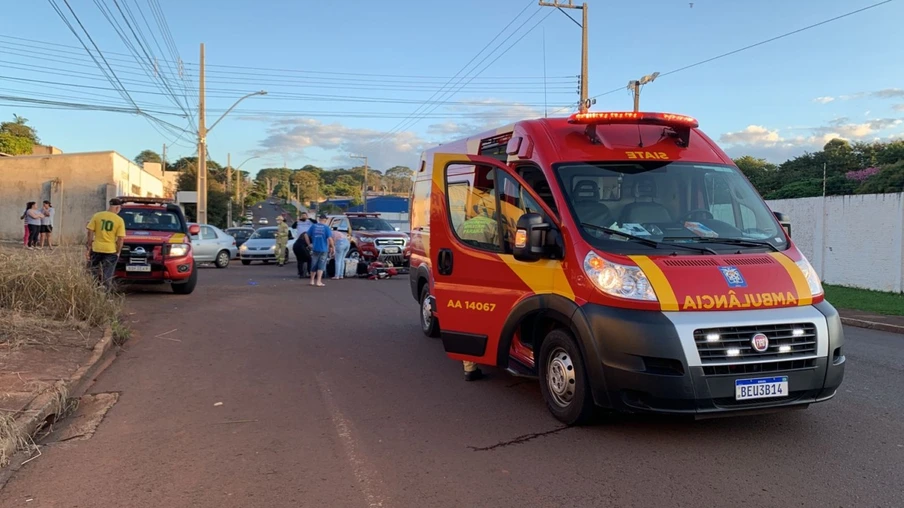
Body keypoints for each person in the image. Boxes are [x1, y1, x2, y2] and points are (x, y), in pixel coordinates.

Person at [86, 198, 126, 290]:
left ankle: (92, 291)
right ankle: (104, 294)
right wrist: (118, 251)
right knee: (107, 274)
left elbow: (90, 231)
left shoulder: (97, 216)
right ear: (117, 208)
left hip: (96, 248)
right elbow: (120, 238)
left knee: (93, 272)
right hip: (110, 250)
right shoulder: (119, 220)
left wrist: (89, 245)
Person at [306, 213, 334, 287]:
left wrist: (309, 244)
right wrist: (332, 247)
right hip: (323, 249)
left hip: (315, 248)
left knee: (314, 264)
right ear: (325, 220)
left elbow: (306, 235)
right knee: (321, 265)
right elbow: (330, 239)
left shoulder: (313, 226)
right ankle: (318, 281)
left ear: (319, 219)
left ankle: (311, 280)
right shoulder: (326, 227)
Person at [293, 212, 313, 278]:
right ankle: (310, 273)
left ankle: (301, 274)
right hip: (301, 246)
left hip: (296, 245)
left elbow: (315, 222)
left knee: (300, 260)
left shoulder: (310, 222)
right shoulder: (306, 234)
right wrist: (309, 245)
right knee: (309, 259)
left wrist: (309, 218)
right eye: (302, 216)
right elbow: (293, 226)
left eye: (305, 216)